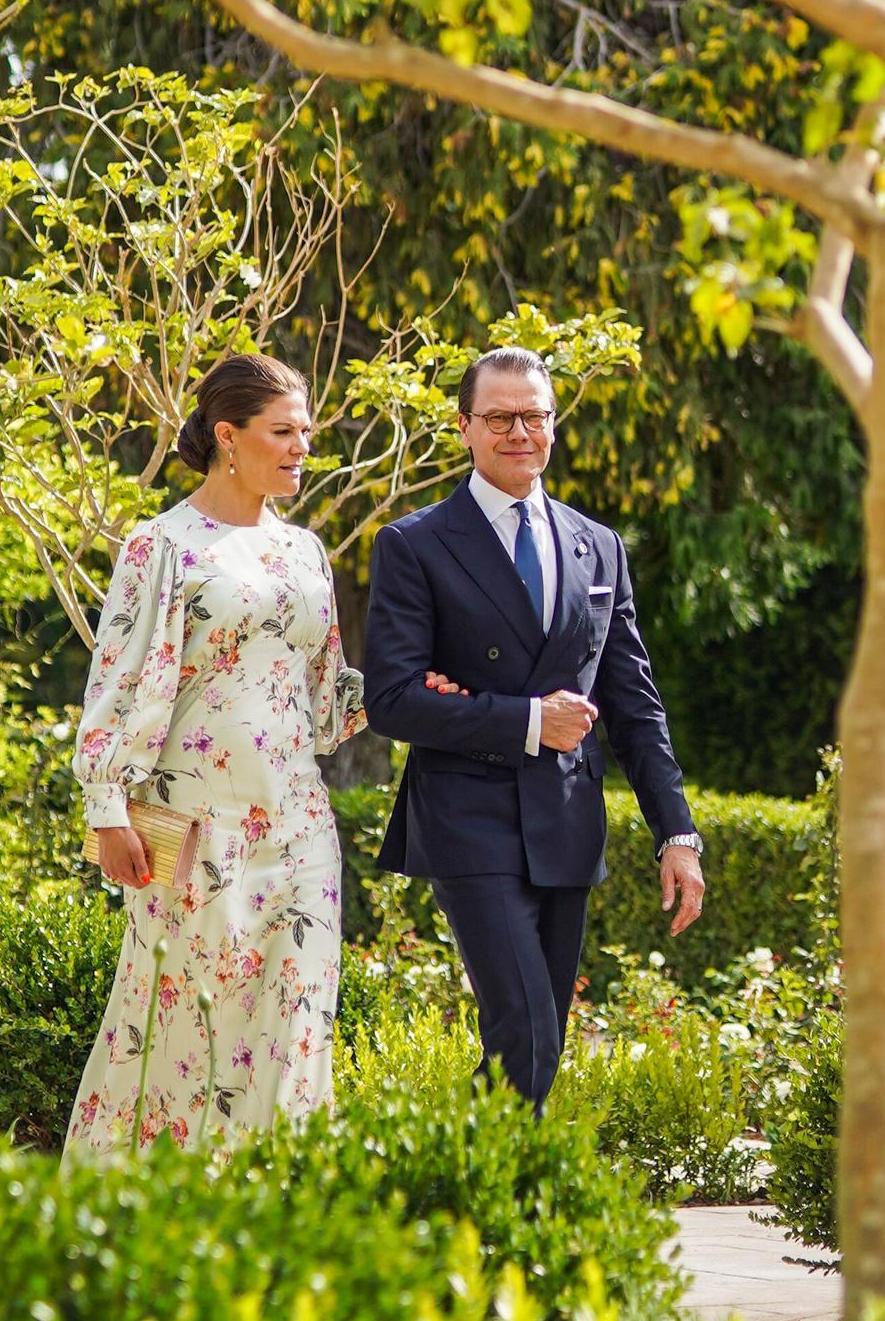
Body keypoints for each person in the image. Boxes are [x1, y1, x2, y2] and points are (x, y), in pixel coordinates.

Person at [362, 346, 704, 1113]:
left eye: (535, 416)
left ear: (553, 424)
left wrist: (676, 835)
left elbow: (633, 703)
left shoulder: (599, 546)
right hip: (466, 818)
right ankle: (486, 1205)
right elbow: (390, 699)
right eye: (499, 417)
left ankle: (477, 1204)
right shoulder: (414, 544)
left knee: (534, 1044)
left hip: (565, 821)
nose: (520, 431)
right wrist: (525, 721)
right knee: (527, 1030)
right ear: (464, 428)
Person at [64, 354, 364, 1155]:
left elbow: (327, 695)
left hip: (299, 831)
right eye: (283, 432)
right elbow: (120, 681)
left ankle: (278, 1214)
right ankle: (142, 1212)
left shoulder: (307, 552)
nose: (301, 447)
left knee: (296, 1029)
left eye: (306, 432)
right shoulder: (161, 546)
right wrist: (106, 808)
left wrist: (422, 680)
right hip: (194, 829)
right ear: (228, 437)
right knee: (180, 1028)